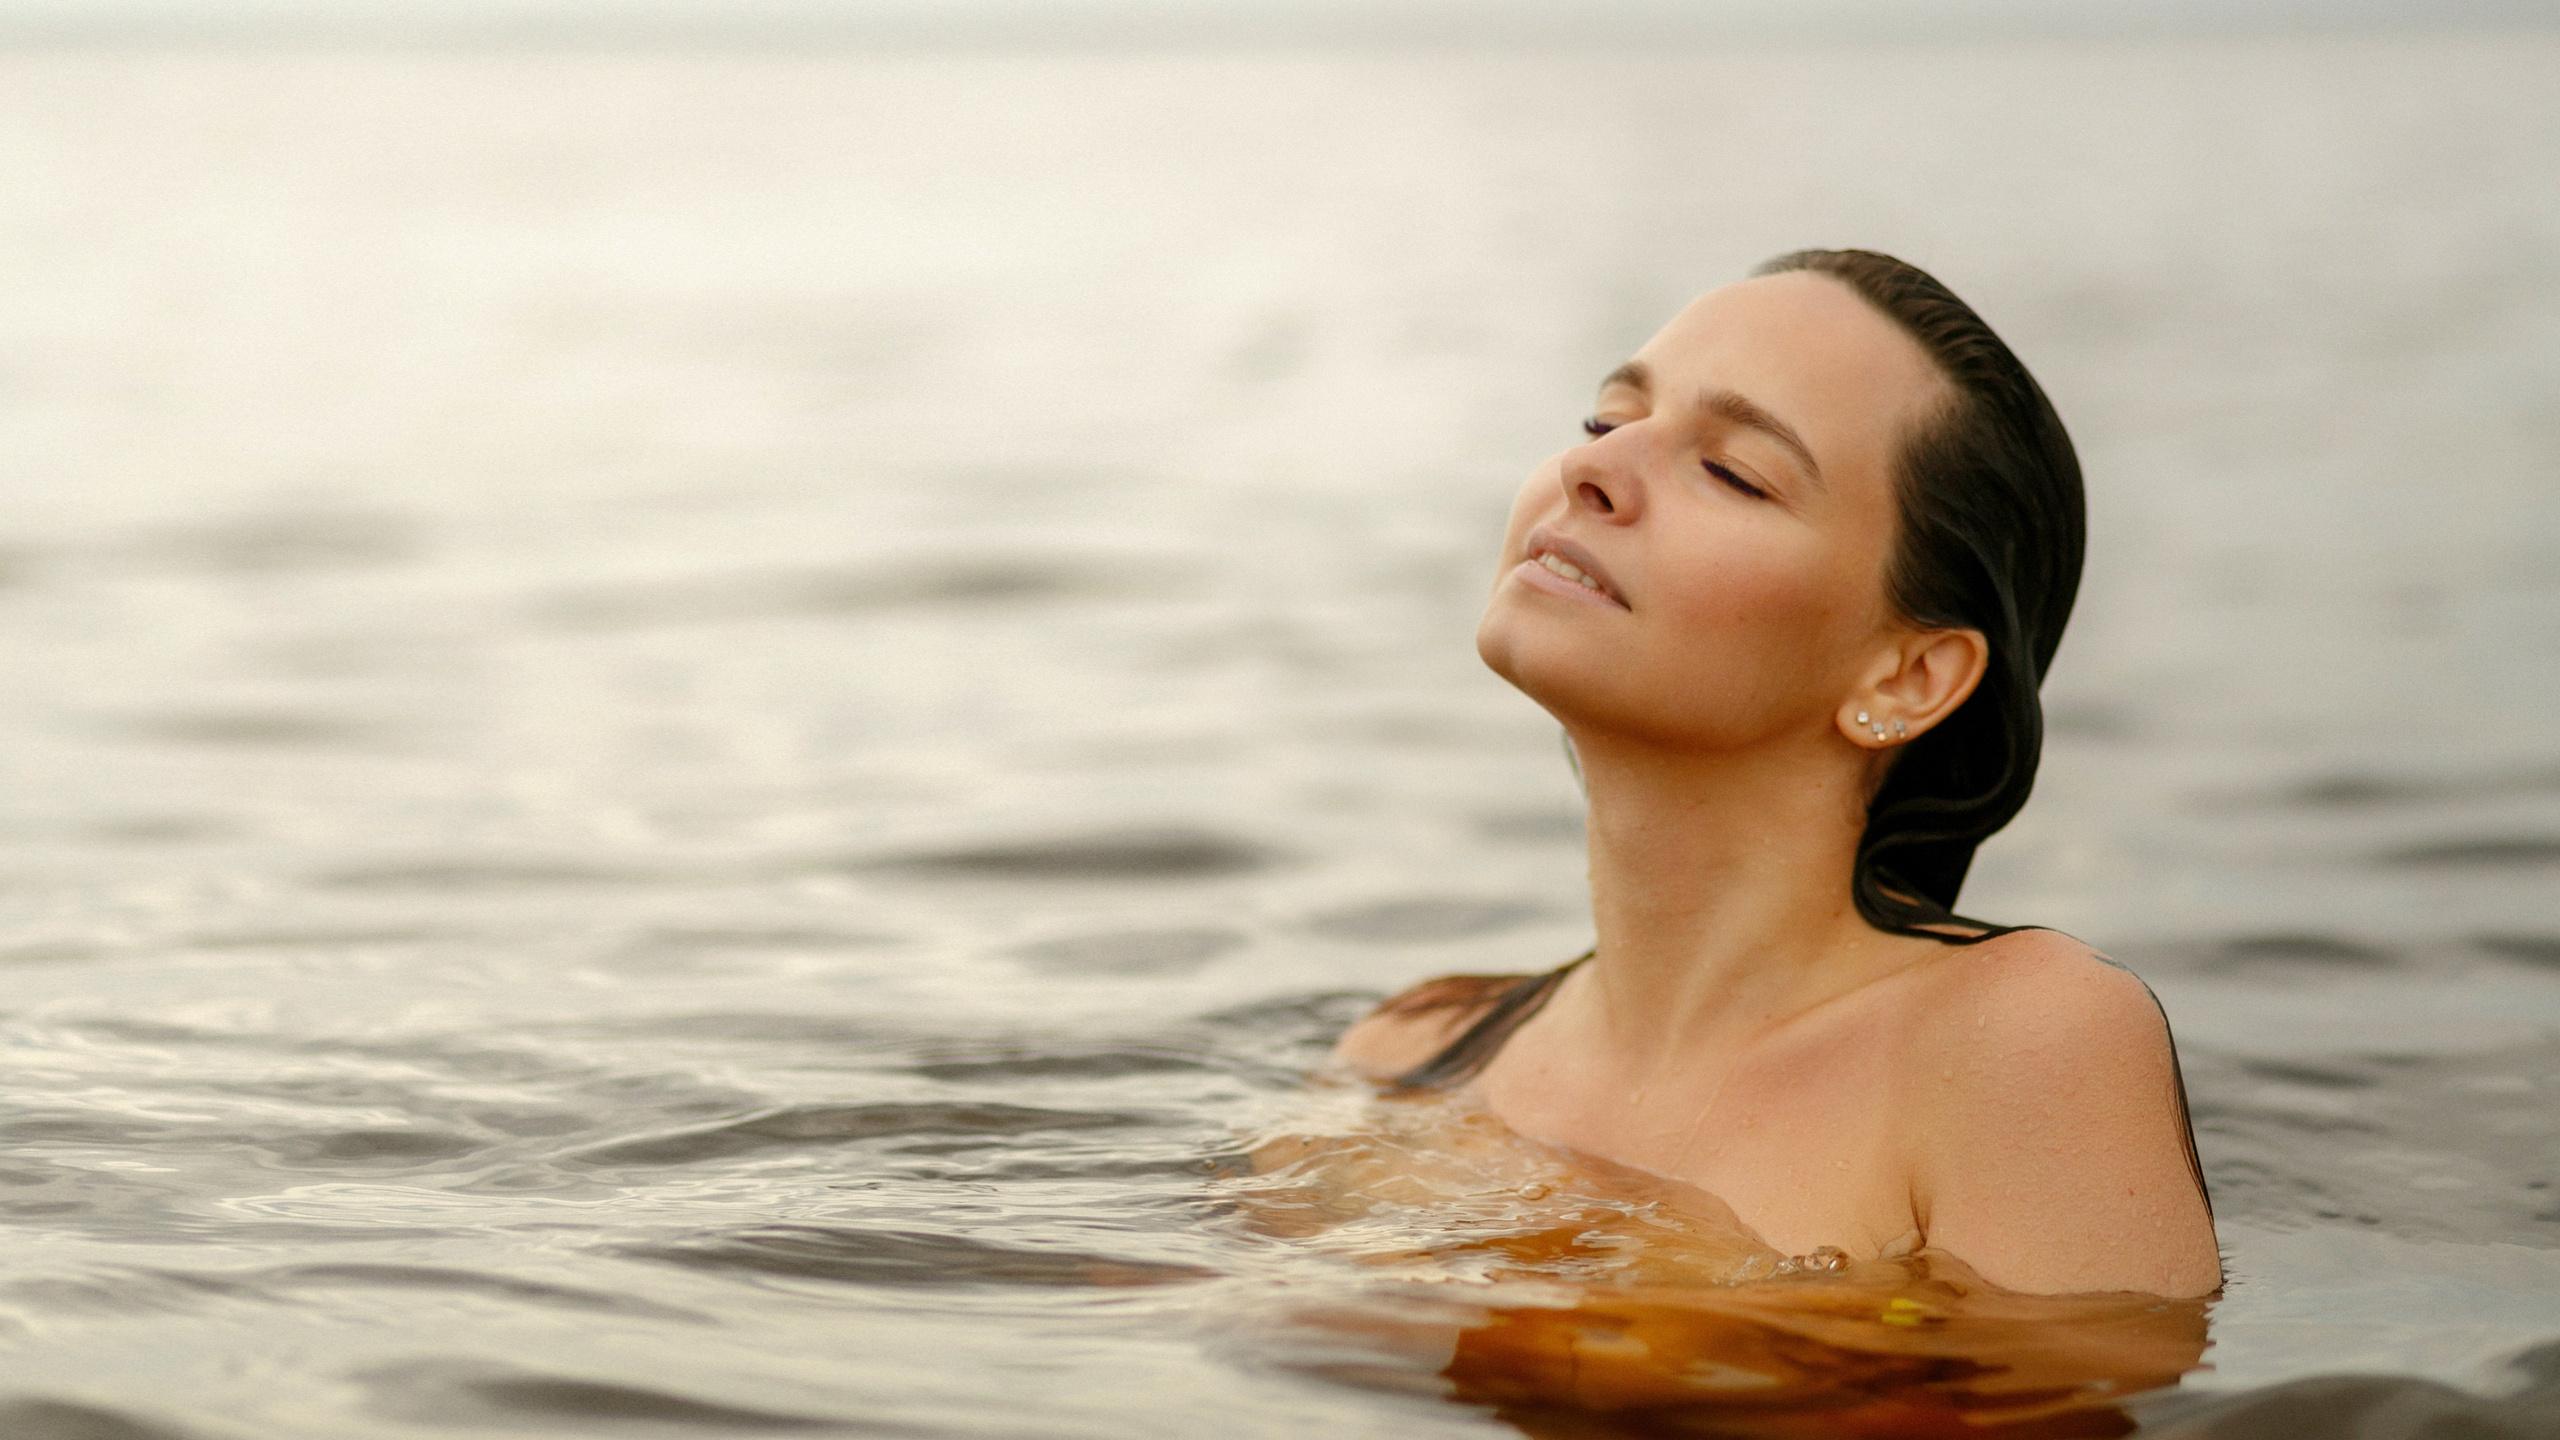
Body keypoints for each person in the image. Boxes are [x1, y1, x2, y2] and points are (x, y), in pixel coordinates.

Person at [1332, 249, 2220, 1299]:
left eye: (1733, 472)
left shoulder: (2018, 1043)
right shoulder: (1411, 1055)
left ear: (1908, 674)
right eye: (1607, 422)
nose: (1591, 470)